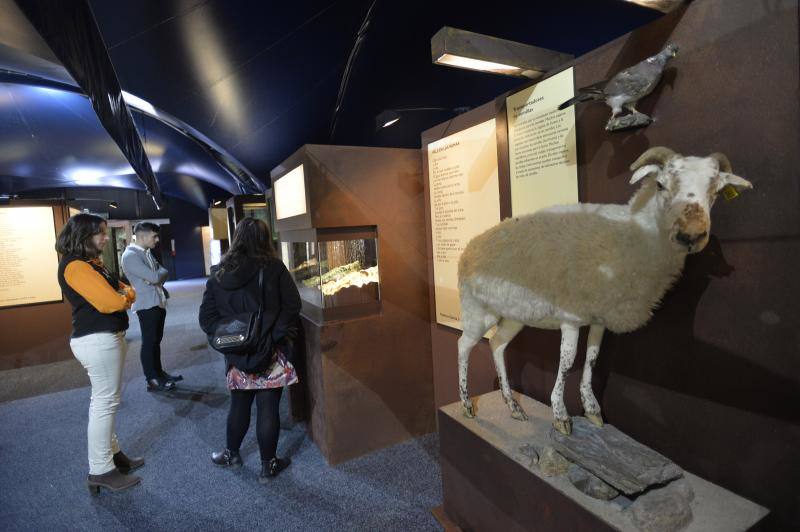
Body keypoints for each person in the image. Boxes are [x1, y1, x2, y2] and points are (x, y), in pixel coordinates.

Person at [199, 217, 301, 483]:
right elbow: (292, 306)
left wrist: (226, 341)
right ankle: (268, 466)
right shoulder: (274, 268)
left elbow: (206, 318)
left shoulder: (218, 273)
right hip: (271, 351)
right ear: (265, 239)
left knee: (239, 404)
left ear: (237, 238)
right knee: (269, 407)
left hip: (236, 354)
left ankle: (232, 454)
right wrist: (273, 336)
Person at [56, 213, 144, 494]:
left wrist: (125, 296)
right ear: (84, 235)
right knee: (104, 404)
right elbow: (110, 302)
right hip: (97, 339)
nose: (106, 238)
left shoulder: (92, 264)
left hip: (102, 338)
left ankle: (113, 456)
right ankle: (101, 469)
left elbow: (126, 289)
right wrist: (125, 298)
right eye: (101, 233)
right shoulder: (75, 266)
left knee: (106, 402)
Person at [121, 222, 182, 392]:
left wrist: (156, 276)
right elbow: (156, 276)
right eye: (154, 236)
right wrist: (156, 276)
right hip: (146, 305)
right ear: (143, 236)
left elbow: (163, 272)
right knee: (149, 343)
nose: (156, 240)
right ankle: (152, 379)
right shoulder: (130, 255)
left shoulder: (146, 252)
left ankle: (159, 373)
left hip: (157, 301)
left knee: (156, 341)